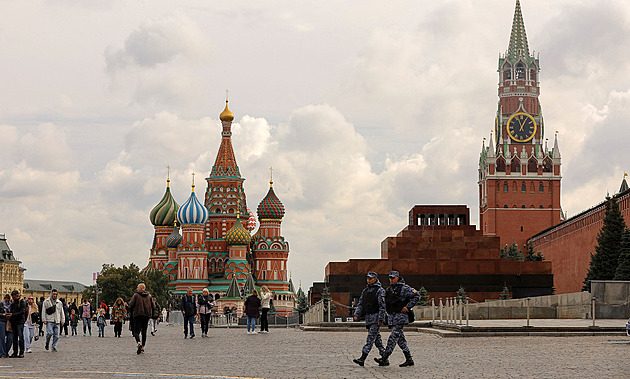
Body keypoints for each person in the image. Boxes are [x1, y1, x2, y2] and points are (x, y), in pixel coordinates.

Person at [374, 271, 420, 367]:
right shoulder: (389, 290)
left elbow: (417, 295)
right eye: (390, 278)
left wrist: (407, 307)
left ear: (398, 278)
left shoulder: (404, 288)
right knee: (400, 339)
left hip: (400, 317)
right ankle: (409, 359)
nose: (391, 279)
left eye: (393, 278)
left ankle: (384, 357)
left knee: (393, 337)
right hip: (392, 317)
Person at [352, 271, 387, 366]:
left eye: (370, 278)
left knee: (370, 338)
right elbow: (360, 304)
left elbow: (382, 306)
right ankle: (384, 358)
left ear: (375, 279)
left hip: (375, 318)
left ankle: (363, 358)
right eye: (368, 278)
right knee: (377, 340)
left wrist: (380, 319)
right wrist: (357, 314)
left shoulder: (380, 291)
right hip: (369, 318)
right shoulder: (365, 291)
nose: (368, 280)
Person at [128, 283, 154, 355]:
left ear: (141, 288)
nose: (137, 288)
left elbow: (131, 304)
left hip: (138, 315)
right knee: (144, 331)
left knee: (136, 331)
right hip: (146, 315)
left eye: (138, 287)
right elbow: (153, 305)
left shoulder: (136, 295)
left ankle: (138, 343)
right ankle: (143, 347)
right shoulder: (149, 296)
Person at [8, 290, 27, 357]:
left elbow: (22, 312)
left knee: (20, 337)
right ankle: (15, 352)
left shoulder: (22, 302)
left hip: (20, 322)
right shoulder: (13, 303)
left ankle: (21, 352)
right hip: (14, 322)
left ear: (17, 296)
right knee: (14, 338)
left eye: (14, 297)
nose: (13, 298)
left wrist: (12, 314)